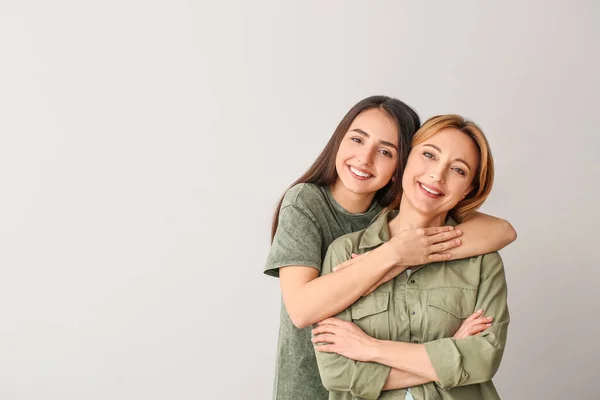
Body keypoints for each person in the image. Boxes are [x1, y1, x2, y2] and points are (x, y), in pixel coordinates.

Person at [264, 96, 516, 400]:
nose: (365, 159)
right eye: (357, 139)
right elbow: (304, 312)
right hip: (307, 382)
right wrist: (446, 357)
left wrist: (374, 350)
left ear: (400, 164)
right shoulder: (307, 204)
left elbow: (503, 230)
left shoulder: (395, 206)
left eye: (385, 151)